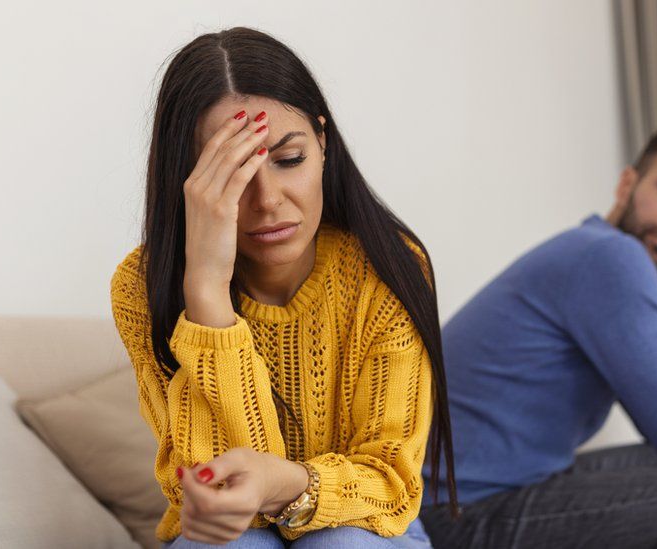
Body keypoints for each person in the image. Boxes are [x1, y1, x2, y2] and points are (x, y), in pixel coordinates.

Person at [110, 27, 457, 548]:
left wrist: (286, 484)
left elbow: (391, 481)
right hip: (229, 538)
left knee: (339, 542)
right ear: (190, 180)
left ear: (322, 142)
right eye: (232, 174)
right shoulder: (142, 287)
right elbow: (222, 495)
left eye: (288, 159)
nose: (268, 200)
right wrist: (205, 287)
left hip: (369, 527)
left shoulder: (387, 267)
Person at [420, 123, 657, 548]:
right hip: (452, 511)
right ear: (627, 183)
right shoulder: (612, 257)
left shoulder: (593, 251)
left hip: (482, 491)